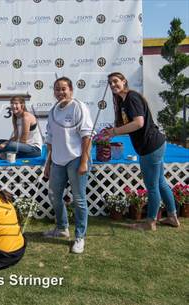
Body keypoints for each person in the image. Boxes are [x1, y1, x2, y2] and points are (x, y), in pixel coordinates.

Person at [105, 72, 180, 230]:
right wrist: (114, 130)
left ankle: (150, 222)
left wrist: (115, 132)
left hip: (150, 147)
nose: (112, 85)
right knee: (160, 182)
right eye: (110, 83)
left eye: (115, 81)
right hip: (154, 145)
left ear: (124, 81)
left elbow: (139, 123)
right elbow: (133, 125)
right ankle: (172, 217)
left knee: (152, 186)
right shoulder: (123, 101)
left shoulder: (131, 98)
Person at [42, 77, 93, 254]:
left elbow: (87, 137)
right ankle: (62, 228)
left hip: (77, 159)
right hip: (57, 160)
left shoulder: (79, 107)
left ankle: (80, 237)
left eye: (63, 89)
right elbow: (50, 139)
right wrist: (48, 163)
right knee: (54, 195)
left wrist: (84, 162)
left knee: (79, 199)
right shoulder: (53, 111)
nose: (60, 92)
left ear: (71, 90)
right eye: (57, 89)